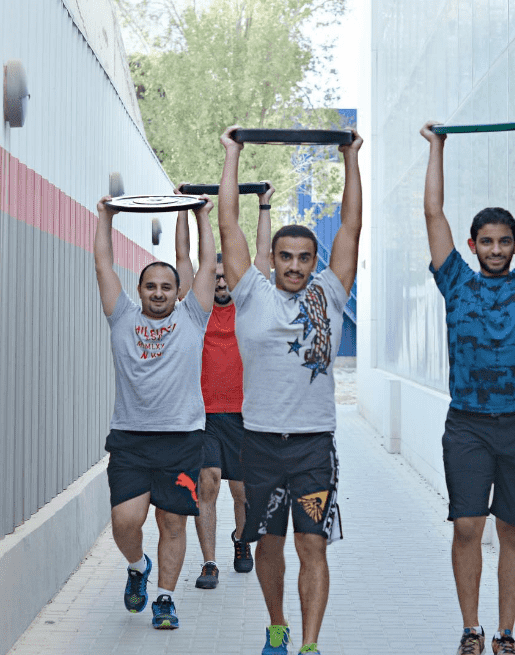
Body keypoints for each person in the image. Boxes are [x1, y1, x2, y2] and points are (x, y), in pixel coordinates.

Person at [217, 124, 363, 655]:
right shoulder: (250, 292)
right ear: (273, 259)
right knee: (269, 544)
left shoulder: (330, 293)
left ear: (314, 260)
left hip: (312, 446)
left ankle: (309, 645)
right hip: (258, 443)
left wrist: (351, 159)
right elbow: (228, 222)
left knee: (313, 543)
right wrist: (232, 155)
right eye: (287, 257)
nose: (296, 266)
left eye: (305, 257)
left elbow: (351, 225)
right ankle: (276, 625)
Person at [419, 118, 515, 655]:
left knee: (514, 534)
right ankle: (471, 630)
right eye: (487, 241)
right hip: (470, 426)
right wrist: (438, 148)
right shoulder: (456, 281)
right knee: (467, 528)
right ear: (474, 244)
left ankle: (505, 634)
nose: (496, 249)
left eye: (505, 241)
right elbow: (434, 213)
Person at [94, 191, 216, 630]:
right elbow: (104, 265)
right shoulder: (121, 315)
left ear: (178, 292)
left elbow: (207, 265)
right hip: (130, 439)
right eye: (151, 286)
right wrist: (106, 216)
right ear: (139, 289)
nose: (159, 293)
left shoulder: (193, 317)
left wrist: (203, 216)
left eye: (167, 287)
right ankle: (137, 565)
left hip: (182, 439)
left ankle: (165, 598)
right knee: (126, 520)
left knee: (173, 522)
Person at [174, 182, 275, 589]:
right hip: (203, 415)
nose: (219, 283)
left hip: (245, 414)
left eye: (224, 276)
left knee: (244, 491)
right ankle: (209, 563)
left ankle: (240, 540)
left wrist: (264, 204)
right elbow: (184, 257)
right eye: (212, 277)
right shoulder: (195, 309)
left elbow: (263, 257)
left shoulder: (251, 304)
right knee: (207, 482)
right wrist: (183, 207)